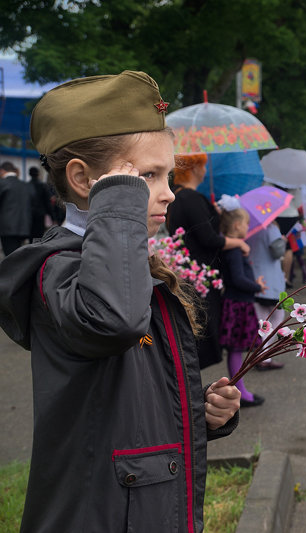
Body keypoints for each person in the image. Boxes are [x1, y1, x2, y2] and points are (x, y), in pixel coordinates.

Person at [0, 71, 240, 532]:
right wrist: (118, 204)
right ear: (83, 179)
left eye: (168, 174)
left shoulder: (128, 268)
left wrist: (199, 414)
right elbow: (113, 321)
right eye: (148, 176)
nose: (169, 192)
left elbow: (129, 401)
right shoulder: (59, 270)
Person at [167, 152, 250, 369]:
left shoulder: (179, 196)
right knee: (204, 330)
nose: (205, 171)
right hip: (201, 275)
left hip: (192, 272)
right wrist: (238, 243)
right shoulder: (190, 198)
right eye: (203, 166)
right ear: (194, 169)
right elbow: (209, 238)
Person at [217, 196, 267, 405]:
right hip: (238, 304)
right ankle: (240, 392)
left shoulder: (234, 249)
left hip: (237, 302)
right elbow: (237, 279)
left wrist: (253, 282)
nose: (248, 227)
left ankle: (240, 390)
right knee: (236, 349)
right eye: (246, 223)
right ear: (237, 225)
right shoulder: (235, 251)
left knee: (237, 349)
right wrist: (257, 286)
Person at [247, 218, 287, 371]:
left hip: (254, 277)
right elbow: (278, 252)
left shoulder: (248, 227)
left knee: (261, 320)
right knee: (277, 317)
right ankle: (265, 357)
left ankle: (260, 355)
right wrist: (282, 241)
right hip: (271, 281)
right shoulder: (270, 228)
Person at [0, 161, 32, 256]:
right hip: (24, 226)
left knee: (9, 257)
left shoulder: (2, 183)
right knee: (18, 256)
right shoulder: (25, 185)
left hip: (7, 227)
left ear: (2, 171)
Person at [28, 167, 53, 240]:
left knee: (31, 236)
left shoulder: (27, 185)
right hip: (40, 214)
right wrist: (52, 216)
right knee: (39, 236)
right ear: (38, 174)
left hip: (30, 215)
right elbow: (47, 202)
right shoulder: (42, 186)